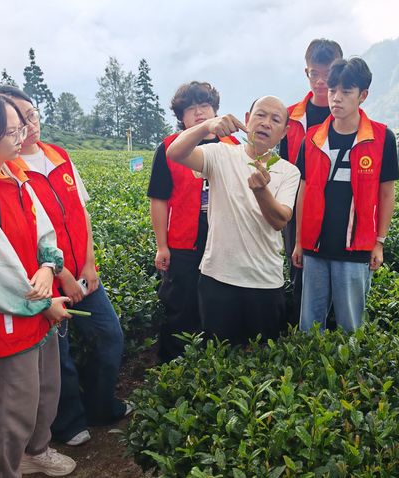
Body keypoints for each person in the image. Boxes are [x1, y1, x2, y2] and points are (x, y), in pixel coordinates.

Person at [0, 85, 128, 447]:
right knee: (58, 358)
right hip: (45, 282)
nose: (30, 125)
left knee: (109, 336)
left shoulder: (59, 155)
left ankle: (101, 406)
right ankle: (68, 424)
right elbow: (28, 235)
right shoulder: (8, 169)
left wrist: (89, 264)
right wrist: (62, 273)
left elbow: (81, 212)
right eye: (18, 120)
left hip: (81, 274)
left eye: (32, 115)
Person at [0, 90, 75, 476]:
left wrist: (48, 267)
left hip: (38, 303)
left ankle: (36, 452)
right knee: (10, 405)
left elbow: (43, 229)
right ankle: (2, 471)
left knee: (44, 389)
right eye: (11, 131)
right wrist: (44, 303)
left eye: (22, 127)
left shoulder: (14, 174)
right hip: (7, 314)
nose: (22, 136)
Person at [167, 96, 300, 345]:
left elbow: (280, 220)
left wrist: (261, 192)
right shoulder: (220, 154)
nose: (266, 123)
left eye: (275, 120)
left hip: (265, 282)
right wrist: (206, 126)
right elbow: (175, 152)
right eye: (260, 115)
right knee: (219, 358)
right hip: (218, 279)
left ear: (284, 132)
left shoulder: (289, 172)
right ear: (247, 120)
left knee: (263, 359)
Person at [292, 57, 399, 333]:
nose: (336, 98)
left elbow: (387, 194)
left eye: (346, 92)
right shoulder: (312, 138)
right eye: (332, 91)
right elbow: (303, 190)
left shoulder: (382, 138)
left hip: (356, 247)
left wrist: (379, 243)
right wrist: (299, 242)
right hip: (315, 246)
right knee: (309, 326)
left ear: (362, 95)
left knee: (350, 327)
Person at [147, 81, 238, 363]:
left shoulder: (234, 147)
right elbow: (159, 199)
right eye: (191, 108)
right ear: (181, 116)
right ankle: (172, 366)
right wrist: (162, 245)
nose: (199, 113)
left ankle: (215, 368)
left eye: (205, 106)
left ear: (215, 110)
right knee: (180, 306)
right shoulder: (169, 148)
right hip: (184, 240)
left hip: (223, 240)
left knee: (221, 305)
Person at [280, 39, 343, 326]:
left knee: (337, 272)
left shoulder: (345, 116)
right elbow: (282, 164)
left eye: (327, 74)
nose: (319, 81)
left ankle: (332, 334)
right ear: (306, 71)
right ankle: (301, 335)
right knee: (300, 270)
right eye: (313, 73)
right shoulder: (291, 116)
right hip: (298, 207)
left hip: (337, 207)